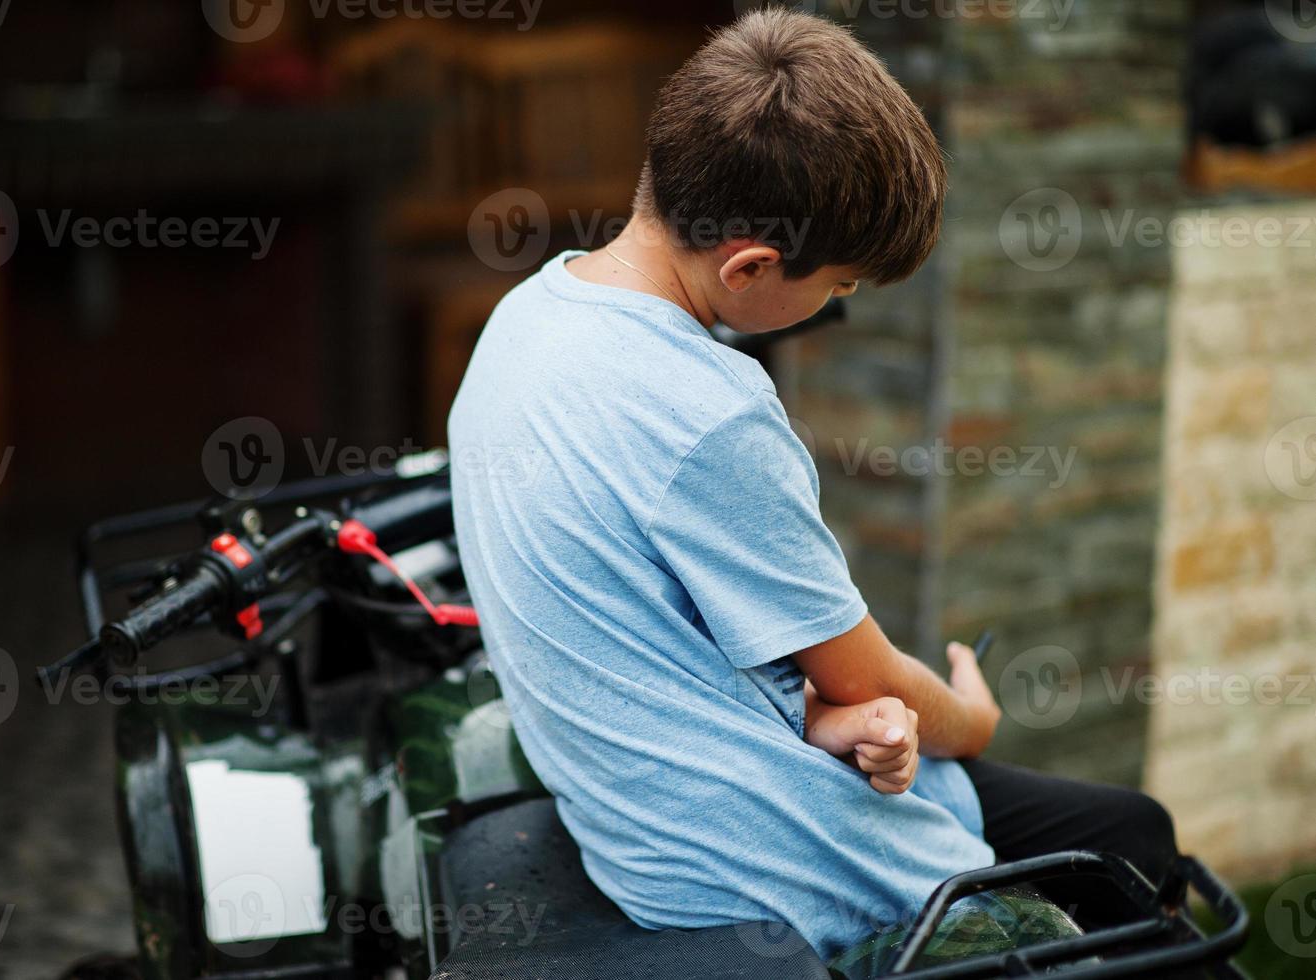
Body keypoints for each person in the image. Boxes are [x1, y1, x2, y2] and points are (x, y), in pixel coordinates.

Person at [447, 8, 1175, 959]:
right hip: (773, 858)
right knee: (1132, 849)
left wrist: (830, 716)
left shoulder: (523, 316)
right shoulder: (706, 412)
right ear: (750, 263)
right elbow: (871, 677)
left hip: (647, 824)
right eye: (837, 286)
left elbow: (684, 638)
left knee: (1126, 827)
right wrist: (972, 715)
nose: (837, 305)